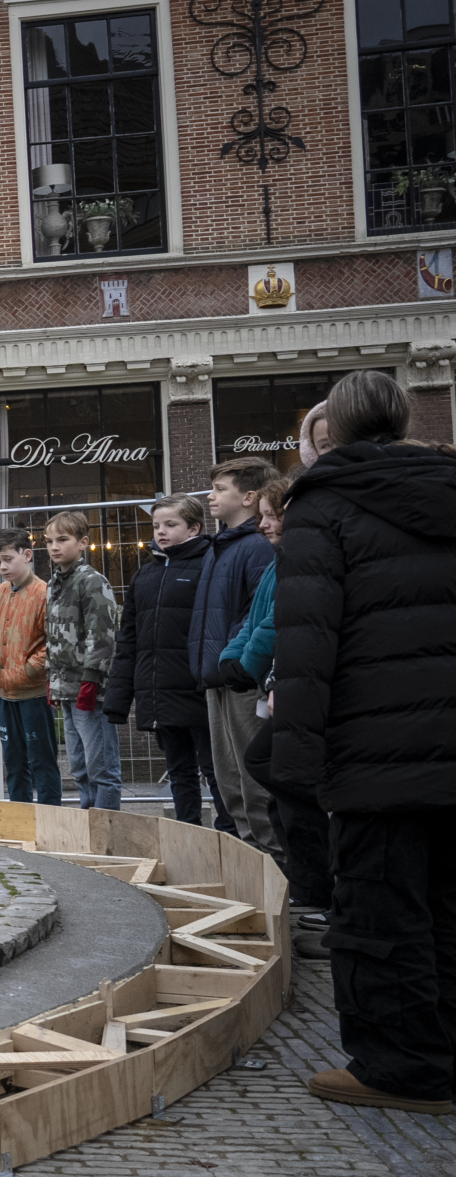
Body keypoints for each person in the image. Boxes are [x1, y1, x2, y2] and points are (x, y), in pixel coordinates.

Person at [269, 370, 456, 1114]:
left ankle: (402, 1066)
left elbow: (309, 644)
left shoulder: (326, 503)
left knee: (381, 913)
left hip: (377, 754)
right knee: (447, 903)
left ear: (333, 432)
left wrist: (297, 767)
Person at [222, 474, 330, 958]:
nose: (267, 525)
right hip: (278, 683)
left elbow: (281, 623)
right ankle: (307, 888)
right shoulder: (276, 561)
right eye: (264, 516)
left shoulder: (295, 559)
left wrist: (252, 666)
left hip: (295, 688)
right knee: (271, 777)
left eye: (274, 515)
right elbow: (258, 617)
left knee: (277, 774)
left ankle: (319, 893)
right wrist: (239, 658)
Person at [105, 497, 216, 826]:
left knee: (216, 771)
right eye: (156, 525)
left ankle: (232, 840)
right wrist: (119, 698)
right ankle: (189, 837)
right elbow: (128, 640)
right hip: (161, 694)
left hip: (199, 690)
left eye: (171, 524)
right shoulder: (146, 575)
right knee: (180, 773)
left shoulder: (210, 564)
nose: (161, 532)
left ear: (193, 528)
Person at [190, 457, 280, 850]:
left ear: (248, 496)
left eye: (219, 489)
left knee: (252, 777)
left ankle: (274, 861)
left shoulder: (258, 547)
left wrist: (238, 661)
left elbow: (258, 614)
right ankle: (250, 856)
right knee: (229, 780)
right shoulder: (218, 547)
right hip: (217, 676)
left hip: (242, 678)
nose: (210, 497)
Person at [43, 511, 121, 810]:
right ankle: (88, 820)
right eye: (49, 541)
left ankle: (107, 827)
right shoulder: (54, 584)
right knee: (78, 764)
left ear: (83, 542)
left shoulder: (92, 582)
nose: (54, 547)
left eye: (62, 540)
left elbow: (102, 634)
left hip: (89, 688)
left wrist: (91, 678)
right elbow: (53, 636)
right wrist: (53, 679)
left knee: (101, 765)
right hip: (65, 687)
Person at [0, 528, 60, 806]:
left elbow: (50, 644)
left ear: (27, 555)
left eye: (7, 559)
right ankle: (20, 818)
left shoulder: (44, 593)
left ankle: (51, 818)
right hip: (4, 693)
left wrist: (24, 672)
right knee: (13, 762)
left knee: (42, 761)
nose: (2, 567)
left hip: (33, 694)